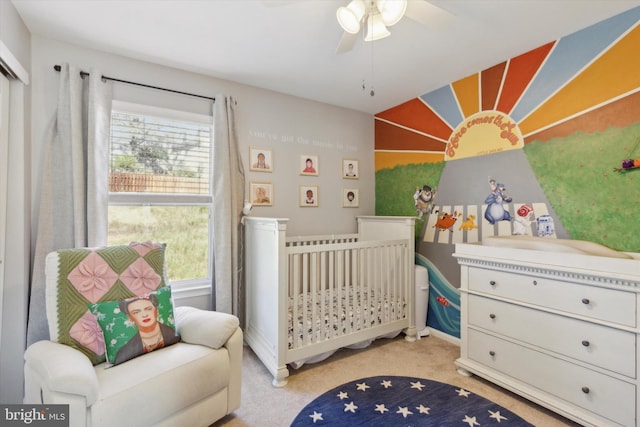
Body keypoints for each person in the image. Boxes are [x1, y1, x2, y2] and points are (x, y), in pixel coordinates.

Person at [114, 293, 179, 365]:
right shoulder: (125, 351)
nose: (144, 315)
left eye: (148, 309)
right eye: (136, 312)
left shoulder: (172, 333)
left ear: (156, 311)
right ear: (130, 317)